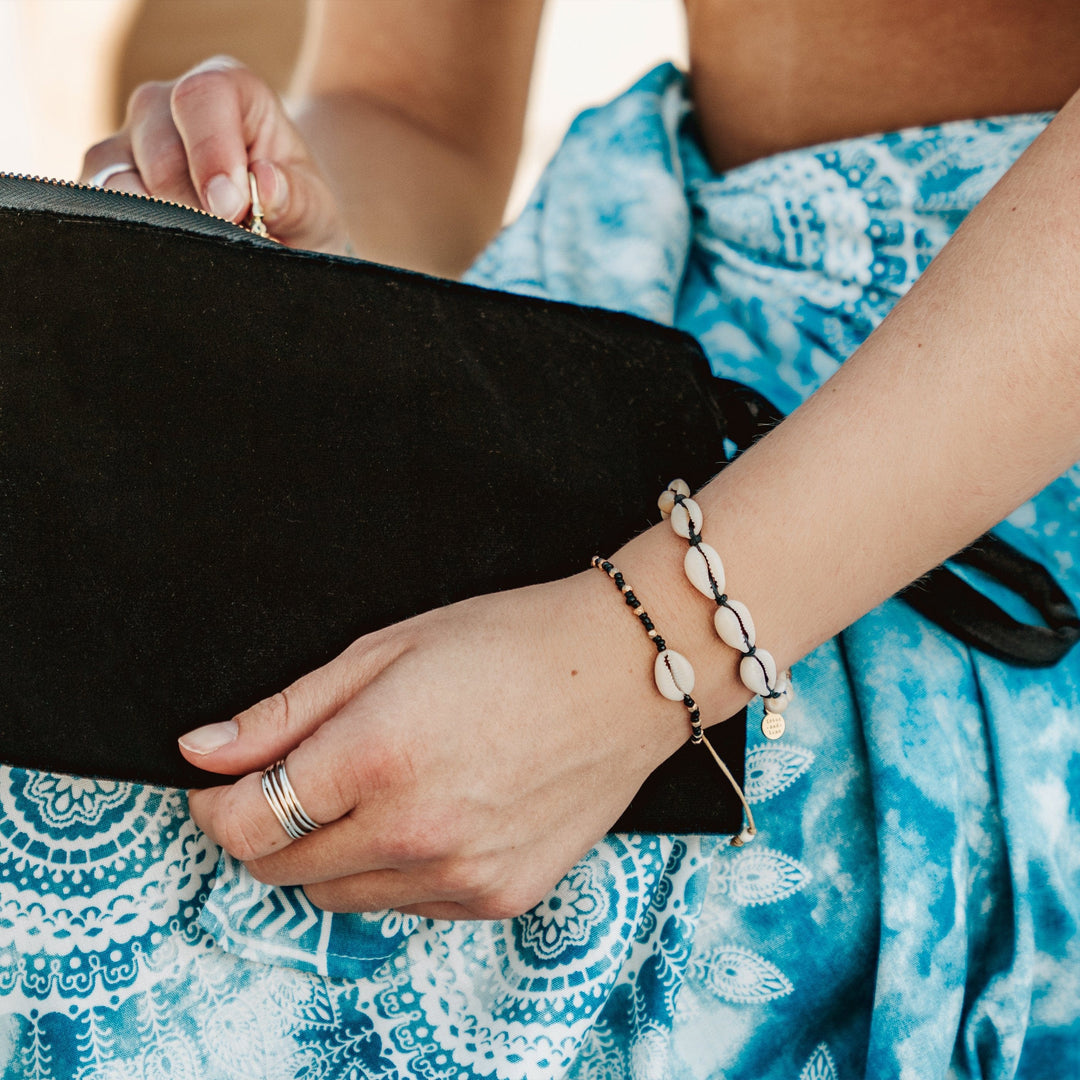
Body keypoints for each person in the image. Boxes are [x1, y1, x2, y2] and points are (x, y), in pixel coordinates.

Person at [2, 1, 1077, 1076]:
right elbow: (412, 109)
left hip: (982, 475)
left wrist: (637, 659)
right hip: (633, 358)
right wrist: (280, 228)